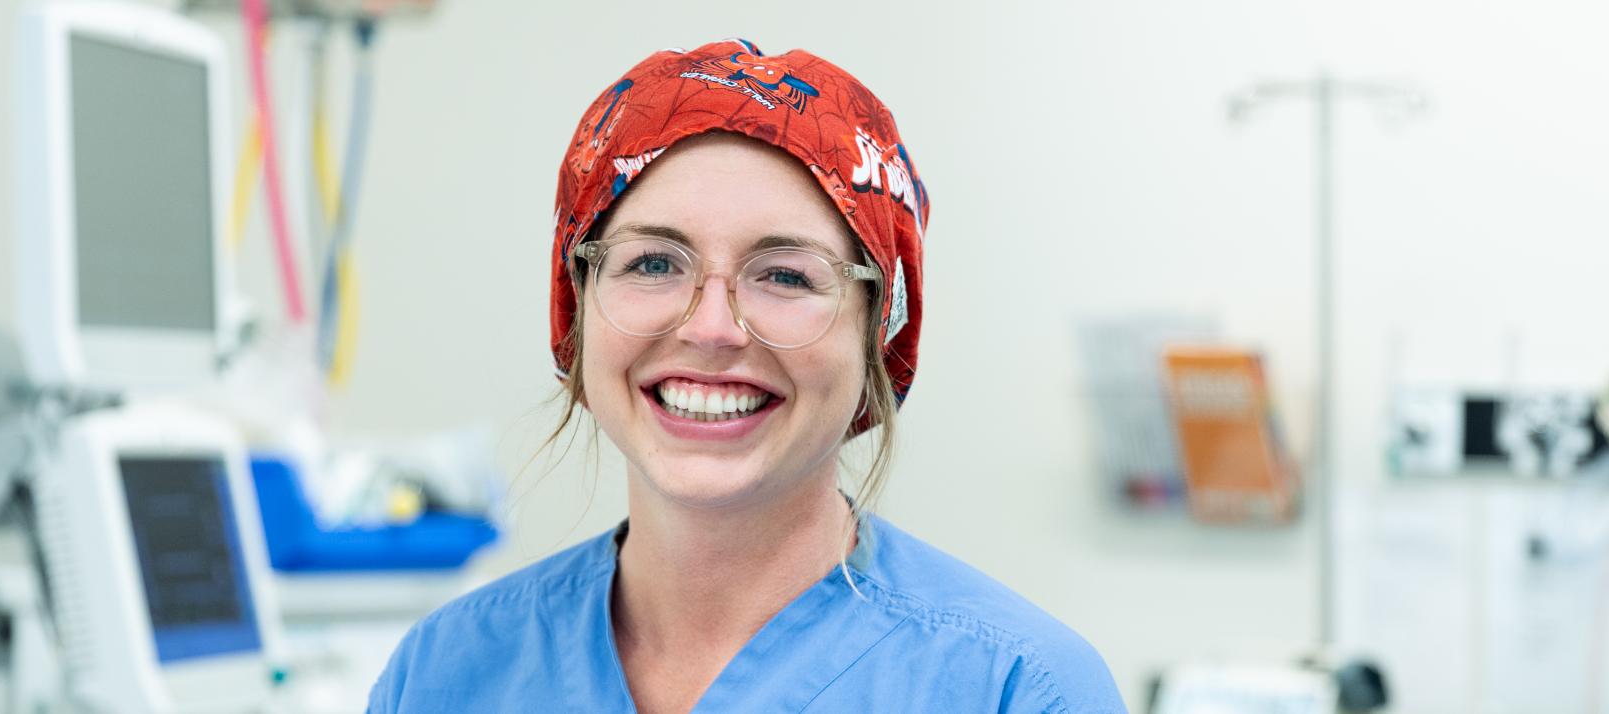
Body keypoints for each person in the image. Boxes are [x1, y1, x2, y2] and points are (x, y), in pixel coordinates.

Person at [368, 39, 1125, 713]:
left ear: (877, 333)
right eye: (654, 263)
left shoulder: (1016, 689)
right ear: (578, 304)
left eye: (786, 276)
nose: (711, 328)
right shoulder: (444, 675)